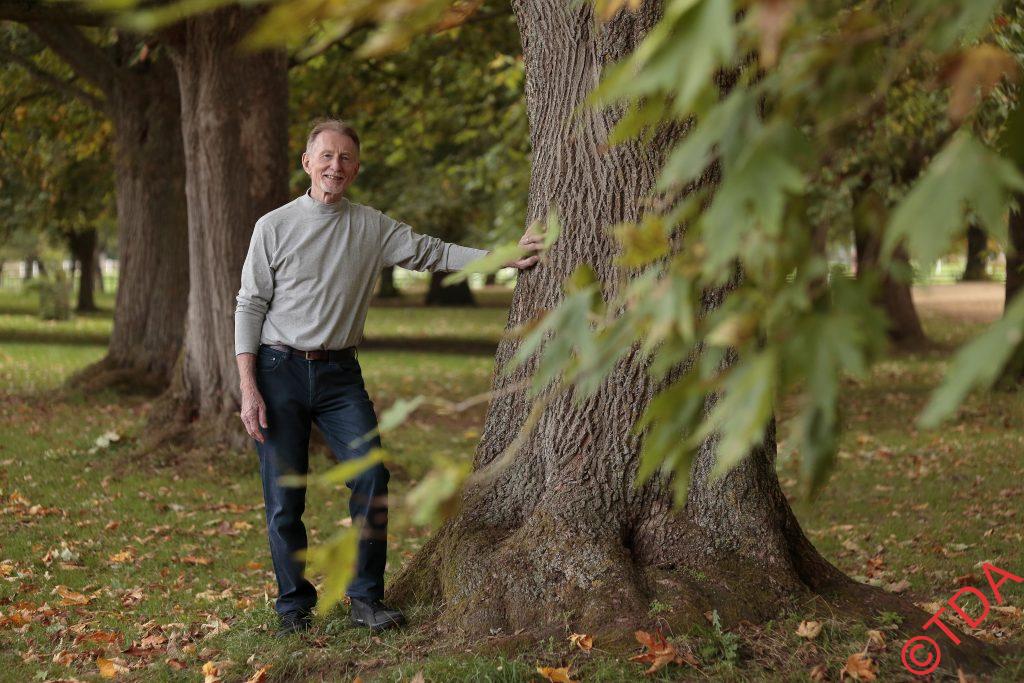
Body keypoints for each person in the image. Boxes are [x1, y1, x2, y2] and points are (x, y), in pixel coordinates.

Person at [234, 118, 542, 636]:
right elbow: (250, 304)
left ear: (356, 167)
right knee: (285, 496)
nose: (336, 166)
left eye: (346, 158)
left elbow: (434, 253)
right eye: (326, 157)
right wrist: (248, 388)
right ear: (307, 163)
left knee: (372, 477)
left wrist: (504, 256)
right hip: (277, 368)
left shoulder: (371, 226)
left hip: (338, 375)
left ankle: (365, 598)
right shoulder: (274, 226)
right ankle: (293, 606)